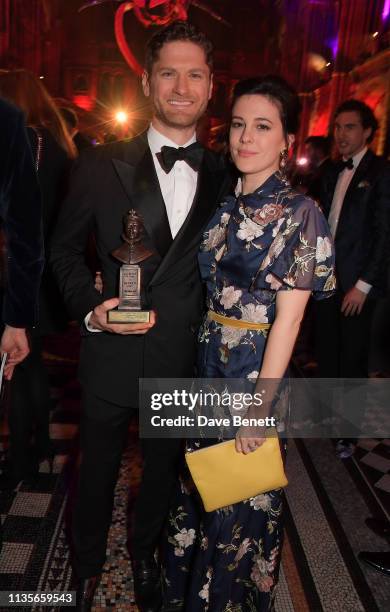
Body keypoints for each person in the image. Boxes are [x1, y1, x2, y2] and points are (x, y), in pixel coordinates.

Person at [50, 21, 230, 612]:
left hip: (185, 354)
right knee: (95, 471)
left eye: (195, 74)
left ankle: (147, 558)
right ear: (148, 82)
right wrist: (92, 309)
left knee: (160, 475)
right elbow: (62, 251)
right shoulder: (101, 164)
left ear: (210, 87)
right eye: (170, 73)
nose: (182, 86)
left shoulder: (231, 175)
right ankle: (85, 565)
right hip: (110, 350)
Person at [162, 76, 336, 611]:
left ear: (287, 140)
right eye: (238, 124)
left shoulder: (301, 214)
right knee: (199, 492)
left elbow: (290, 320)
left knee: (235, 506)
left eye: (262, 126)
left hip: (253, 374)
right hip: (207, 366)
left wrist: (260, 408)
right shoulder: (224, 201)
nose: (245, 138)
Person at [0, 69, 77, 489]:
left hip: (17, 269)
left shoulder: (14, 140)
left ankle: (20, 462)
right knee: (32, 364)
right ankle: (41, 444)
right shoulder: (61, 145)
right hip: (47, 272)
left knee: (14, 365)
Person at [315, 99, 390, 458]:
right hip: (327, 278)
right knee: (327, 351)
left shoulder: (382, 172)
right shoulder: (330, 170)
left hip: (358, 284)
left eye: (349, 127)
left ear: (368, 132)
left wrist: (363, 285)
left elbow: (384, 235)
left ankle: (348, 431)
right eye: (337, 127)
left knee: (353, 358)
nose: (341, 135)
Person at [0, 97, 44, 380]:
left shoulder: (6, 119)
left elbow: (25, 228)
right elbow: (25, 230)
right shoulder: (6, 117)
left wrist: (17, 319)